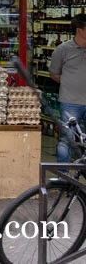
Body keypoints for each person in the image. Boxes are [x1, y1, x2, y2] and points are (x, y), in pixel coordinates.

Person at [50, 13, 86, 163]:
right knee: (66, 140)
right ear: (79, 30)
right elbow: (54, 74)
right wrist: (70, 83)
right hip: (70, 102)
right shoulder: (63, 50)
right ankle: (63, 177)